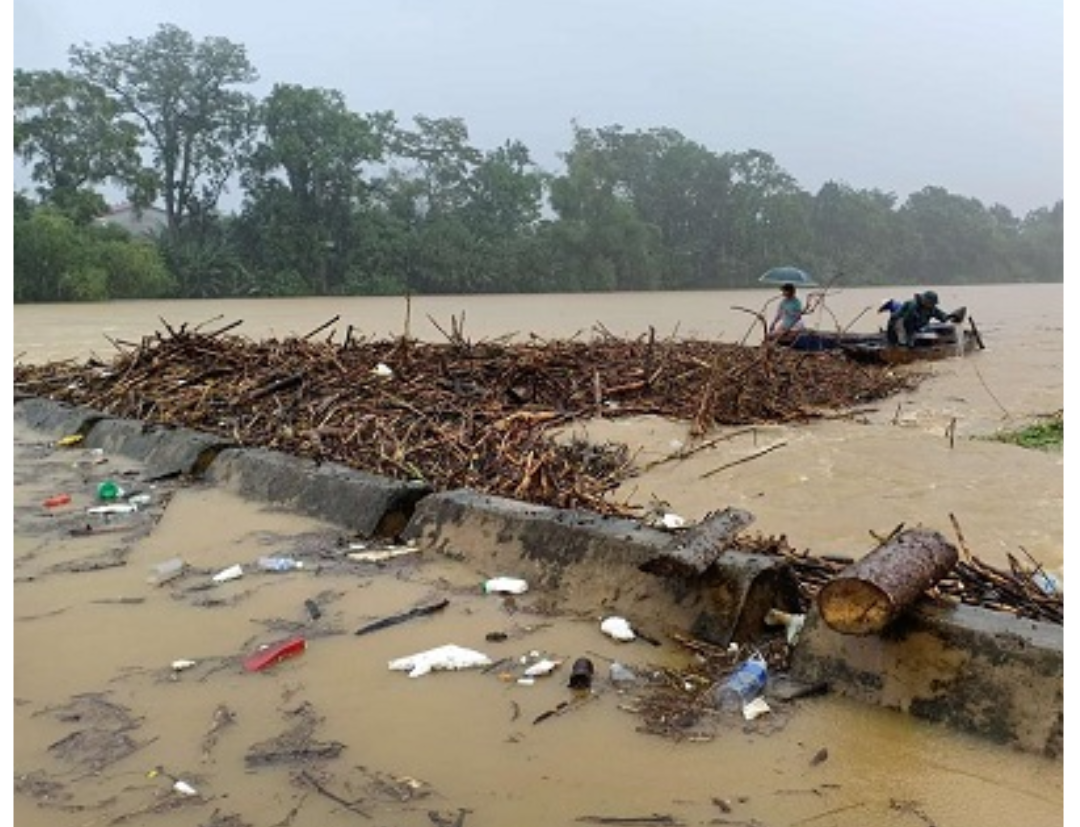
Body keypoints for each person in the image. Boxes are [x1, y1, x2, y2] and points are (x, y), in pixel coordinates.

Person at [886, 290, 957, 346]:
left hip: (915, 327)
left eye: (933, 304)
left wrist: (951, 316)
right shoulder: (912, 306)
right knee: (904, 343)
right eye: (931, 303)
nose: (932, 305)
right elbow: (908, 322)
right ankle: (899, 345)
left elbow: (942, 317)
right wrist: (910, 338)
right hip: (897, 325)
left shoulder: (931, 309)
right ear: (925, 300)